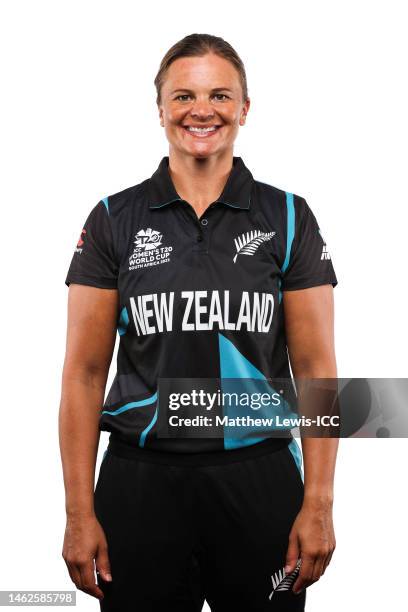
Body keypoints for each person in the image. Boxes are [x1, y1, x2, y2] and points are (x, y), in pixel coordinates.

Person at [60, 33, 338, 612]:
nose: (201, 110)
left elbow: (316, 369)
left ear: (244, 107)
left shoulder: (288, 215)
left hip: (259, 477)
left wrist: (318, 504)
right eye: (183, 95)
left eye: (220, 94)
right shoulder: (114, 218)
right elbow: (84, 373)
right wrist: (79, 513)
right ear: (160, 108)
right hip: (141, 481)